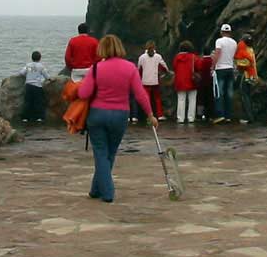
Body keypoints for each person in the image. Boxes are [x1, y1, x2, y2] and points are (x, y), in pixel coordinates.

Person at [77, 34, 157, 202]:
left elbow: (83, 93)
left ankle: (107, 192)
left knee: (100, 153)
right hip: (120, 115)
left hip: (97, 114)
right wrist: (150, 114)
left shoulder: (96, 68)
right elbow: (140, 94)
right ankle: (95, 189)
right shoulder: (130, 68)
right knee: (110, 153)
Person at [136, 41, 169, 122]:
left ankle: (147, 115)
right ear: (155, 47)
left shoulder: (142, 57)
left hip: (145, 81)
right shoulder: (158, 56)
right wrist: (165, 73)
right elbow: (165, 67)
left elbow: (139, 69)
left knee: (147, 99)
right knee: (157, 99)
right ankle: (160, 115)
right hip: (155, 81)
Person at [212, 24, 238, 123]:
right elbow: (234, 56)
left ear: (221, 32)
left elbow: (218, 53)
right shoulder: (234, 42)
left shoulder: (219, 41)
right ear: (230, 32)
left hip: (220, 69)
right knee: (229, 93)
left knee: (220, 92)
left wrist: (213, 65)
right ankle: (228, 115)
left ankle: (220, 114)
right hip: (230, 68)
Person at [172, 41, 200, 124]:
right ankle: (191, 118)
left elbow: (174, 67)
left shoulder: (177, 57)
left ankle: (180, 118)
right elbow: (198, 66)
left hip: (180, 81)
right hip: (191, 80)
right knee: (192, 100)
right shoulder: (193, 57)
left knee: (181, 100)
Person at [20, 51, 49, 123]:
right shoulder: (41, 66)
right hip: (37, 86)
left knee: (27, 102)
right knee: (38, 102)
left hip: (28, 86)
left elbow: (21, 73)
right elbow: (46, 76)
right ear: (40, 58)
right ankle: (39, 117)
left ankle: (25, 118)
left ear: (32, 58)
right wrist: (50, 79)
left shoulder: (28, 65)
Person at [235, 34, 258, 124]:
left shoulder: (245, 50)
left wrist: (237, 62)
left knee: (245, 96)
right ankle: (250, 116)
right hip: (252, 76)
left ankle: (249, 118)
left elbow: (245, 63)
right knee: (248, 95)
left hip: (246, 75)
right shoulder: (251, 50)